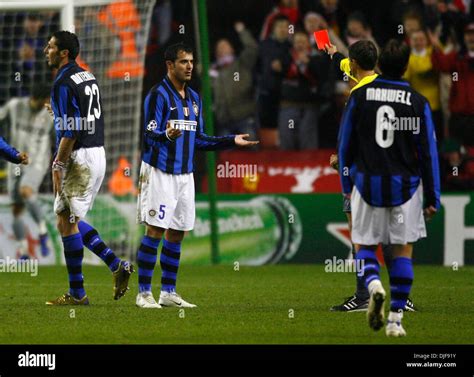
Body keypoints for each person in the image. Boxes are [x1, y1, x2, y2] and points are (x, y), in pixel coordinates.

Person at [136, 42, 258, 308]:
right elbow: (149, 133)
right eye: (183, 62)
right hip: (160, 171)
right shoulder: (158, 95)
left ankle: (168, 292)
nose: (189, 66)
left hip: (185, 174)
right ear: (170, 65)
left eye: (191, 61)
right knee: (156, 229)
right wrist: (165, 135)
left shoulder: (194, 98)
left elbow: (200, 139)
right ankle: (143, 293)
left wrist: (230, 141)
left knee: (178, 232)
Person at [338, 39, 440, 337]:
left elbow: (346, 144)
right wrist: (432, 197)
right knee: (402, 254)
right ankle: (396, 320)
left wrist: (347, 184)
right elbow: (429, 153)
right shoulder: (419, 102)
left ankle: (373, 287)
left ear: (379, 64)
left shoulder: (361, 95)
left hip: (367, 184)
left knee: (365, 248)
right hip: (406, 188)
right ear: (407, 66)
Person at [326, 40, 417, 313]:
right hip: (387, 174)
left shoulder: (358, 96)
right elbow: (344, 63)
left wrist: (340, 162)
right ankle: (402, 297)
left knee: (360, 237)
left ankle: (363, 295)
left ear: (354, 64)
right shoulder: (381, 85)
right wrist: (332, 52)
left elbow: (355, 138)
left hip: (358, 173)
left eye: (348, 63)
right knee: (390, 236)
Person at [43, 31, 134, 305]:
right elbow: (83, 116)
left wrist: (58, 163)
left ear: (63, 54)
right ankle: (114, 265)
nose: (46, 50)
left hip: (78, 158)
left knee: (67, 223)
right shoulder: (87, 75)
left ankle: (78, 293)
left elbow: (70, 130)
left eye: (51, 47)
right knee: (68, 220)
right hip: (97, 153)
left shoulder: (61, 82)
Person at [0, 83, 53, 258]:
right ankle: (23, 250)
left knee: (26, 190)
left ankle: (42, 231)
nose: (48, 104)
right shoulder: (15, 106)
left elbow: (62, 136)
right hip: (16, 161)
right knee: (17, 209)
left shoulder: (50, 115)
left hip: (37, 161)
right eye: (46, 100)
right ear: (38, 99)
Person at [278, 30, 332, 150]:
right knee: (286, 138)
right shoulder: (286, 57)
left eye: (303, 41)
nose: (300, 44)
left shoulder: (317, 57)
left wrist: (309, 62)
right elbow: (277, 74)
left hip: (310, 106)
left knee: (308, 141)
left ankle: (308, 167)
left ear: (309, 43)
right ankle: (285, 167)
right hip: (288, 104)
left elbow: (323, 77)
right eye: (297, 42)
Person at [211, 22, 258, 140]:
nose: (222, 49)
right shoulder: (212, 71)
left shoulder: (242, 63)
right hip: (224, 121)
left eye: (225, 46)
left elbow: (252, 49)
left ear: (231, 48)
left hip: (244, 117)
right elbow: (207, 95)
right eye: (219, 47)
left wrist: (242, 32)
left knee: (251, 145)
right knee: (224, 153)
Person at [431, 22, 474, 146]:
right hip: (458, 118)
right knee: (455, 155)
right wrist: (435, 47)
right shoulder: (457, 57)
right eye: (468, 34)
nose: (471, 38)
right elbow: (441, 65)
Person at [256, 14, 292, 148]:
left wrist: (282, 67)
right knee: (266, 125)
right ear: (273, 29)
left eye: (285, 27)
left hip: (286, 95)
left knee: (285, 126)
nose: (283, 29)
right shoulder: (263, 45)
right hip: (266, 92)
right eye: (280, 26)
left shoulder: (291, 46)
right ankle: (269, 159)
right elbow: (256, 67)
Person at [403, 29, 443, 141]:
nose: (418, 42)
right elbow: (406, 80)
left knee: (436, 137)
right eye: (415, 40)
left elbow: (443, 62)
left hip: (435, 104)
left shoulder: (434, 52)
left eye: (421, 39)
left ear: (426, 41)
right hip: (417, 105)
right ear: (410, 42)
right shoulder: (407, 58)